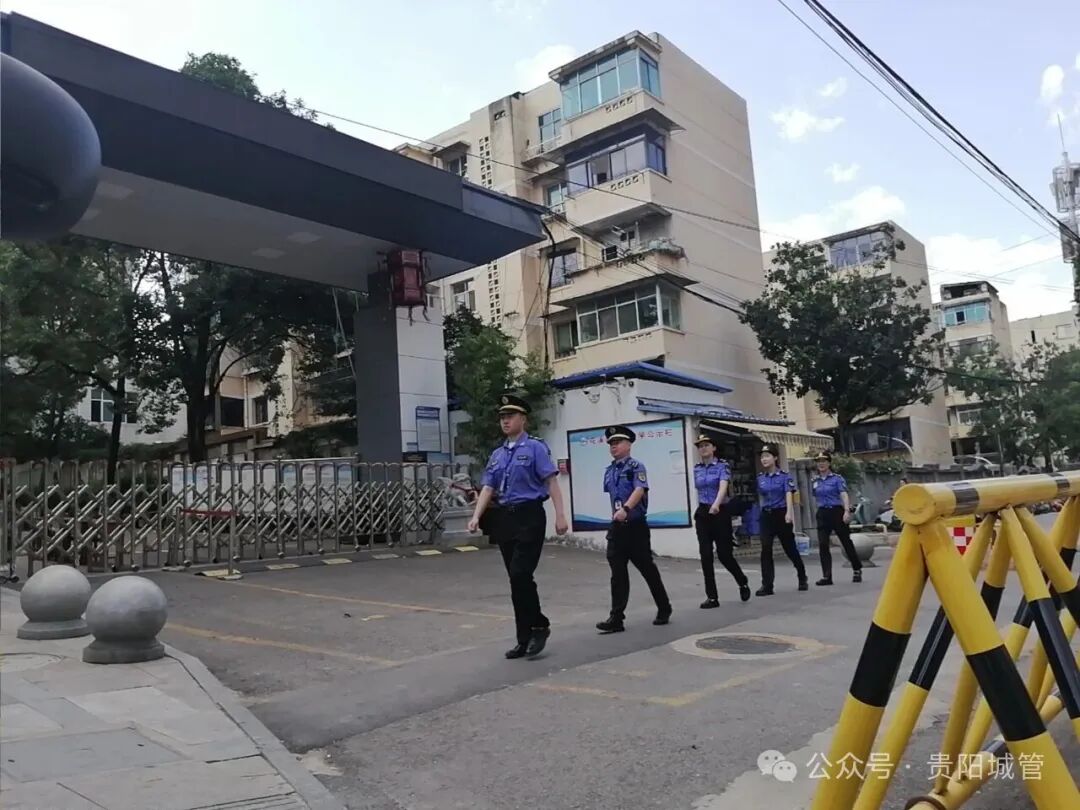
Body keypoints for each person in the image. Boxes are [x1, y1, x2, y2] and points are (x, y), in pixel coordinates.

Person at [467, 394, 569, 659]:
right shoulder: (498, 454)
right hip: (505, 518)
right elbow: (488, 487)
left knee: (520, 573)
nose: (505, 421)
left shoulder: (535, 448)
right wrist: (476, 516)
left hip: (529, 516)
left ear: (523, 419)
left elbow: (551, 482)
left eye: (510, 416)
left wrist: (560, 515)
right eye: (502, 417)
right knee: (516, 580)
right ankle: (523, 638)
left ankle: (539, 625)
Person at [595, 425, 672, 634]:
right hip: (617, 527)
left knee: (647, 569)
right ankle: (616, 618)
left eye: (618, 442)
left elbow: (639, 489)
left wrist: (627, 509)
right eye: (611, 443)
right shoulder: (610, 471)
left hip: (635, 527)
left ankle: (664, 607)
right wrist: (618, 514)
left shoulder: (636, 466)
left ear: (628, 445)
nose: (613, 446)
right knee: (617, 573)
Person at [692, 433, 751, 607]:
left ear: (714, 448)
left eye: (706, 445)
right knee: (705, 555)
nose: (703, 448)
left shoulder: (722, 466)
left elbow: (723, 487)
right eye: (700, 446)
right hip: (703, 512)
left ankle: (742, 580)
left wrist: (716, 505)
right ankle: (712, 597)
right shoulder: (697, 468)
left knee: (725, 555)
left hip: (719, 511)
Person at [756, 444, 808, 596]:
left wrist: (789, 513)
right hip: (767, 515)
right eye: (762, 457)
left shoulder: (784, 476)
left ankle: (802, 575)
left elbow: (788, 494)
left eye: (767, 456)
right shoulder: (760, 478)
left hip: (781, 514)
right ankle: (767, 585)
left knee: (790, 548)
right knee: (766, 548)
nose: (764, 459)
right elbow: (761, 496)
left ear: (775, 458)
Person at [812, 450, 862, 586]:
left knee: (846, 541)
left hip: (836, 511)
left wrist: (846, 511)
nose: (821, 464)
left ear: (829, 463)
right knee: (823, 544)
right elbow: (815, 496)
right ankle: (826, 576)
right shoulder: (815, 481)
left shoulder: (837, 479)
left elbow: (843, 494)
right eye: (818, 462)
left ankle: (857, 568)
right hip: (823, 512)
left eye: (824, 461)